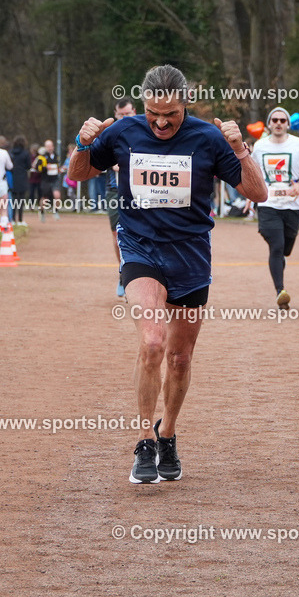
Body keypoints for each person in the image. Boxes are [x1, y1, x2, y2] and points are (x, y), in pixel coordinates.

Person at [67, 64, 267, 484]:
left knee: (179, 358)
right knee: (153, 341)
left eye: (170, 115)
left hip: (191, 255)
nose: (160, 121)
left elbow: (257, 193)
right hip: (140, 247)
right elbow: (77, 173)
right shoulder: (122, 132)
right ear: (143, 103)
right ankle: (143, 440)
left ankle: (168, 433)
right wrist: (82, 143)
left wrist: (240, 149)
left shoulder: (208, 138)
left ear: (184, 106)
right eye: (153, 112)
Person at [251, 106, 299, 308]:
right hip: (268, 203)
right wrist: (250, 195)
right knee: (277, 245)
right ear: (269, 123)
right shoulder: (260, 146)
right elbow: (252, 173)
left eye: (282, 120)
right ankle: (281, 292)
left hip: (293, 206)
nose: (278, 123)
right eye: (275, 120)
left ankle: (279, 263)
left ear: (288, 124)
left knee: (285, 249)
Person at [107, 98, 136, 297]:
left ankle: (138, 277)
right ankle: (122, 273)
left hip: (138, 191)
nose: (124, 118)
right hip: (114, 190)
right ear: (116, 114)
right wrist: (112, 164)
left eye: (128, 114)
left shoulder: (144, 130)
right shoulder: (111, 133)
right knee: (118, 238)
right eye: (121, 115)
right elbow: (98, 156)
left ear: (134, 112)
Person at [9, 135, 31, 228]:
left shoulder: (10, 153)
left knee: (13, 200)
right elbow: (28, 166)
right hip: (22, 177)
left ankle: (13, 219)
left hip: (13, 178)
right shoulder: (26, 153)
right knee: (21, 200)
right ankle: (20, 219)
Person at [39, 139, 60, 221]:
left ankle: (56, 211)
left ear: (53, 147)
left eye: (50, 146)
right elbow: (38, 168)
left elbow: (57, 166)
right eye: (47, 146)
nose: (49, 148)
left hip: (54, 179)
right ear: (45, 147)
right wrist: (45, 167)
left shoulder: (56, 155)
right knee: (45, 198)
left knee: (57, 196)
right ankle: (42, 212)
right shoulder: (42, 157)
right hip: (46, 180)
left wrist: (59, 169)